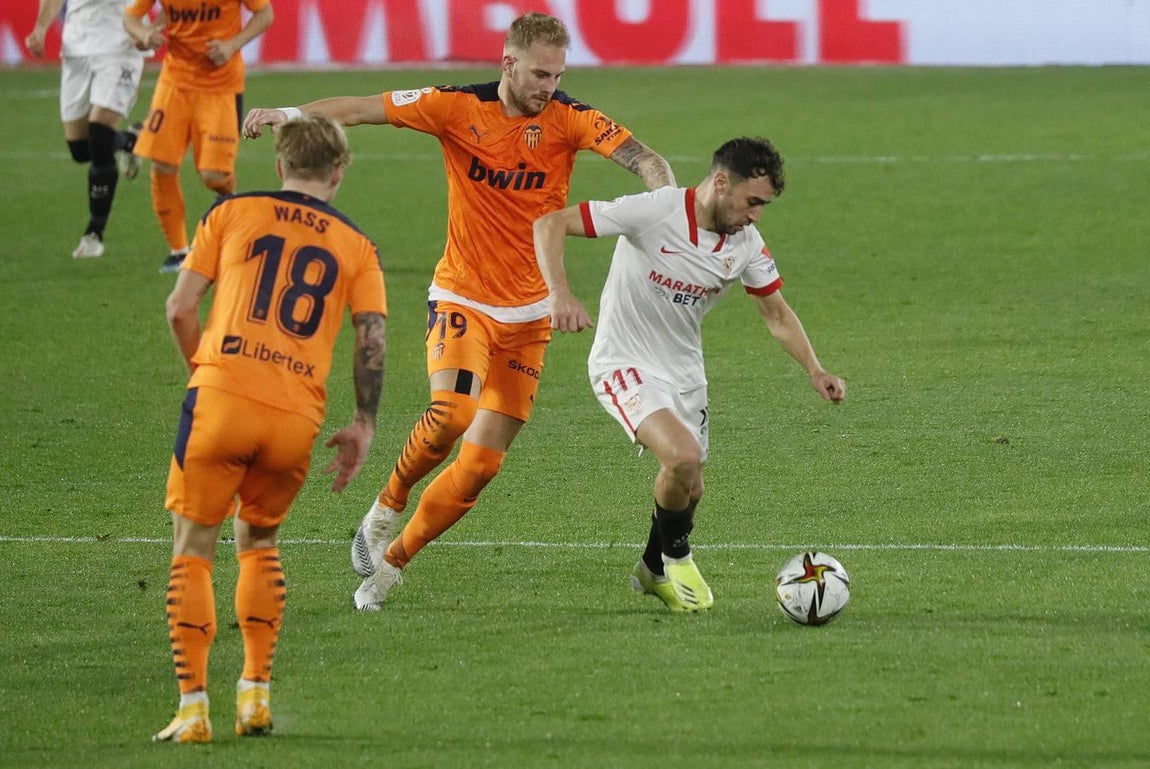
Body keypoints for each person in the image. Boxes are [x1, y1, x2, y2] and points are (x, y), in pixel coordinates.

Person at [242, 11, 676, 611]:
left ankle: (391, 566)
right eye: (540, 74)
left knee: (479, 468)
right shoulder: (454, 107)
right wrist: (289, 114)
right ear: (508, 63)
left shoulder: (570, 117)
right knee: (451, 413)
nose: (550, 87)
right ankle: (385, 507)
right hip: (463, 296)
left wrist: (665, 205)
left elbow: (644, 158)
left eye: (558, 75)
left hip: (530, 314)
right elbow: (361, 109)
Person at [533, 137, 846, 612]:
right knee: (682, 457)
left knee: (690, 484)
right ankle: (677, 558)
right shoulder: (654, 211)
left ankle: (651, 569)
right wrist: (559, 294)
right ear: (720, 183)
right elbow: (551, 223)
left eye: (763, 205)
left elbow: (777, 314)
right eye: (752, 201)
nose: (756, 215)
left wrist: (815, 368)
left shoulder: (746, 245)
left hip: (684, 373)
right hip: (624, 362)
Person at [154, 114, 387, 743]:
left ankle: (193, 709)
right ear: (339, 170)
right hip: (293, 419)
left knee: (193, 550)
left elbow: (179, 307)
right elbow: (371, 339)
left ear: (280, 164)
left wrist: (204, 374)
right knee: (259, 543)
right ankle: (255, 693)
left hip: (220, 402)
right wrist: (363, 423)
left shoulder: (230, 213)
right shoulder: (358, 246)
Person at [124, 0, 273, 273]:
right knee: (163, 165)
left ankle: (231, 198)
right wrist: (145, 34)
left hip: (221, 86)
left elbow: (265, 13)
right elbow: (131, 17)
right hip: (175, 82)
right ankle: (179, 252)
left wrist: (232, 45)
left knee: (214, 176)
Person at [25, 0, 147, 259]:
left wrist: (146, 29)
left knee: (100, 133)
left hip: (120, 45)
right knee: (80, 149)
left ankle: (94, 233)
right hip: (77, 46)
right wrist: (41, 28)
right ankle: (130, 140)